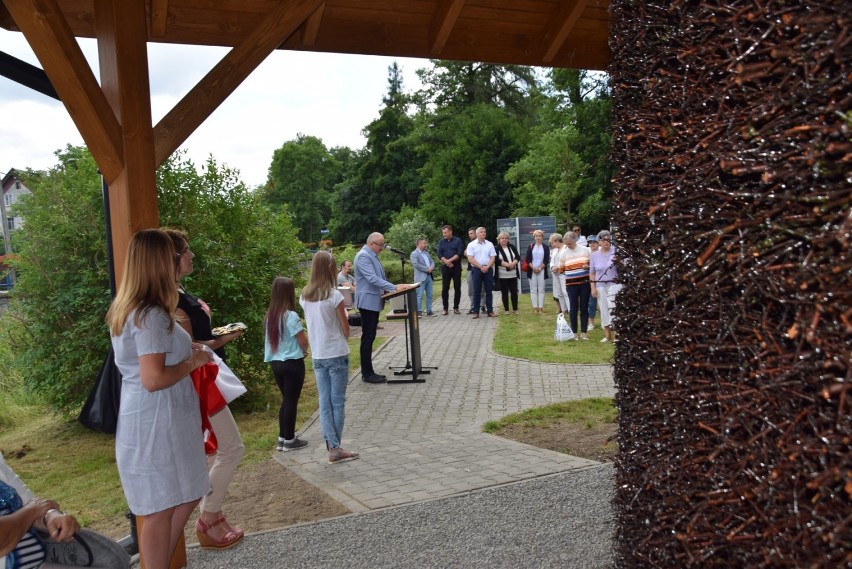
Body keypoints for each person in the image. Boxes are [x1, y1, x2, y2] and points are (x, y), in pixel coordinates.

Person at [106, 229, 212, 569]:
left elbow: (154, 364)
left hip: (163, 419)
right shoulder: (148, 313)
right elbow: (153, 379)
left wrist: (187, 351)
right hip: (155, 422)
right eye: (173, 254)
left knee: (186, 492)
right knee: (160, 508)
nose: (182, 258)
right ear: (159, 262)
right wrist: (193, 361)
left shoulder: (141, 309)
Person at [163, 228, 245, 550]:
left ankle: (213, 512)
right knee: (231, 448)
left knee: (221, 450)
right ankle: (208, 518)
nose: (192, 255)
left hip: (204, 376)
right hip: (197, 381)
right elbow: (188, 346)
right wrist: (221, 339)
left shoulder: (177, 290)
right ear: (171, 259)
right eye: (186, 251)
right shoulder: (169, 298)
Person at [0, 453, 131, 568]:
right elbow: (33, 508)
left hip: (35, 561)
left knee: (112, 559)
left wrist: (50, 515)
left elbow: (30, 502)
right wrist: (34, 511)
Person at [300, 251, 359, 463]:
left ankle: (332, 446)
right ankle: (335, 447)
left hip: (318, 354)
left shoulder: (304, 296)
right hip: (336, 352)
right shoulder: (334, 295)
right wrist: (344, 332)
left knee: (324, 402)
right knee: (338, 402)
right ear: (330, 268)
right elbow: (345, 328)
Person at [354, 232, 407, 383]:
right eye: (380, 245)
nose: (382, 248)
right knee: (368, 337)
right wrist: (394, 287)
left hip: (372, 301)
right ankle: (367, 373)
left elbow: (379, 278)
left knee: (370, 336)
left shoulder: (371, 255)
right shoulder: (364, 256)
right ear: (372, 244)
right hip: (367, 302)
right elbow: (372, 278)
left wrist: (389, 287)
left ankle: (369, 371)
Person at [264, 276, 310, 452]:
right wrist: (304, 350)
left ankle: (282, 438)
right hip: (292, 363)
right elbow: (302, 340)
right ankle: (290, 440)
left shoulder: (270, 316)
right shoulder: (291, 316)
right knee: (291, 401)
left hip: (276, 363)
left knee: (286, 400)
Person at [590, 230, 621, 342]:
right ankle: (607, 336)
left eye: (608, 240)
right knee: (603, 309)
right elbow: (592, 272)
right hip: (600, 285)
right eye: (603, 240)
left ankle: (617, 335)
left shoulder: (616, 251)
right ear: (599, 242)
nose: (606, 242)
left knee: (614, 308)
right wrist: (593, 287)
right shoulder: (594, 255)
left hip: (614, 283)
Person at [562, 231, 592, 340]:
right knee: (573, 308)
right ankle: (574, 332)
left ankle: (584, 332)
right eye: (566, 244)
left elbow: (591, 264)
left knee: (584, 307)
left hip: (584, 283)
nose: (568, 245)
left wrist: (587, 266)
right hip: (571, 284)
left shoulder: (585, 250)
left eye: (569, 243)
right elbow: (561, 269)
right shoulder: (564, 253)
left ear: (575, 240)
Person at [466, 227, 497, 318]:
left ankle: (490, 311)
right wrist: (480, 267)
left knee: (489, 291)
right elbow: (470, 258)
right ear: (477, 234)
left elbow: (493, 257)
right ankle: (476, 311)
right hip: (476, 269)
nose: (484, 233)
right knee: (476, 291)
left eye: (485, 232)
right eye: (481, 232)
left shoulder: (490, 244)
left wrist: (487, 267)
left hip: (488, 269)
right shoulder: (471, 245)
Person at [436, 224, 463, 315]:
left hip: (456, 267)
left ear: (450, 232)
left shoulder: (458, 241)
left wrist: (450, 261)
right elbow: (439, 253)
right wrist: (446, 261)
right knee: (445, 288)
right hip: (446, 268)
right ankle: (445, 308)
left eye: (446, 233)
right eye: (443, 233)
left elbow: (459, 253)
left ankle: (456, 307)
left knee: (457, 287)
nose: (444, 234)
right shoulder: (441, 242)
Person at [494, 231, 521, 314]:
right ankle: (506, 310)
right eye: (502, 238)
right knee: (504, 293)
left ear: (508, 239)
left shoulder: (512, 246)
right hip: (502, 275)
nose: (504, 240)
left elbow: (517, 257)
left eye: (506, 238)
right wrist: (506, 264)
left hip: (513, 274)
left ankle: (515, 309)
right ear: (499, 239)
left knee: (514, 292)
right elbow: (496, 260)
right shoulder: (496, 248)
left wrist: (513, 264)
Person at [524, 230, 550, 314]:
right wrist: (533, 268)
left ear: (542, 237)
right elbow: (527, 259)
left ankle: (541, 307)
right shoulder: (531, 246)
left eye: (540, 236)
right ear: (534, 237)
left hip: (541, 270)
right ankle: (535, 307)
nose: (538, 237)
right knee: (533, 290)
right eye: (536, 236)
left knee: (541, 289)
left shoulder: (545, 247)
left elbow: (546, 260)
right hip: (532, 270)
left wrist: (539, 268)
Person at [410, 237, 436, 316]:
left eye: (425, 243)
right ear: (419, 244)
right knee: (419, 295)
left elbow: (432, 261)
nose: (425, 244)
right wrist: (427, 269)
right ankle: (419, 311)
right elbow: (416, 265)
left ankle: (429, 310)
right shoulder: (414, 254)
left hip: (429, 277)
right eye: (424, 243)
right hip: (420, 278)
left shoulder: (426, 253)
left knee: (430, 294)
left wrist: (431, 267)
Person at [549, 233, 569, 315]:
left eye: (552, 243)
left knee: (565, 291)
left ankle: (570, 308)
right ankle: (563, 310)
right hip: (555, 273)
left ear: (557, 241)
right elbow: (552, 262)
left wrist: (558, 267)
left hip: (563, 273)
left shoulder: (566, 248)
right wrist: (552, 267)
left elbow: (567, 261)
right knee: (559, 292)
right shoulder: (554, 251)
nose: (552, 245)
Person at [586, 234, 599, 330]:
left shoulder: (601, 252)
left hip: (602, 279)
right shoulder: (586, 252)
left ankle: (605, 322)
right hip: (589, 280)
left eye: (594, 242)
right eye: (590, 242)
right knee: (591, 302)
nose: (592, 244)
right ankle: (591, 322)